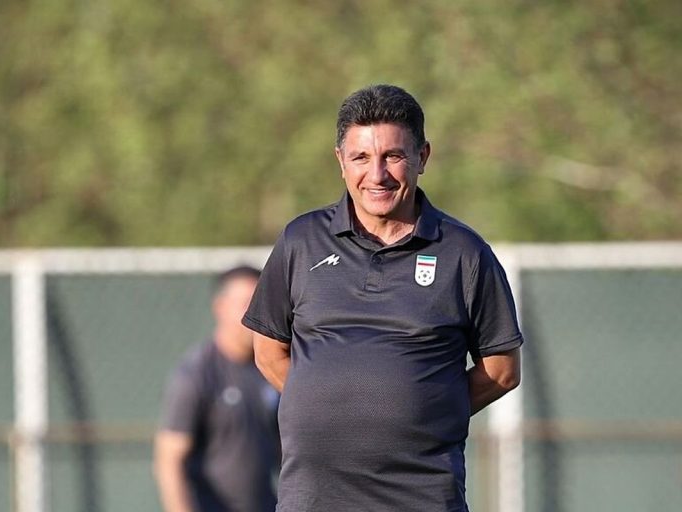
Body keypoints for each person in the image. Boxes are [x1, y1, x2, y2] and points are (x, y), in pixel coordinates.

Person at [242, 84, 523, 512]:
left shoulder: (464, 253)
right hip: (313, 499)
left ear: (422, 157)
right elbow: (268, 352)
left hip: (421, 499)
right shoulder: (301, 240)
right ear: (341, 161)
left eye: (393, 156)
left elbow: (502, 372)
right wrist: (331, 408)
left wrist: (425, 411)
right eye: (360, 157)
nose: (377, 175)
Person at [154, 266, 280, 512]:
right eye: (246, 304)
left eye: (261, 305)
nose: (257, 315)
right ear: (220, 307)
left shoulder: (270, 367)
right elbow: (168, 461)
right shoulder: (196, 374)